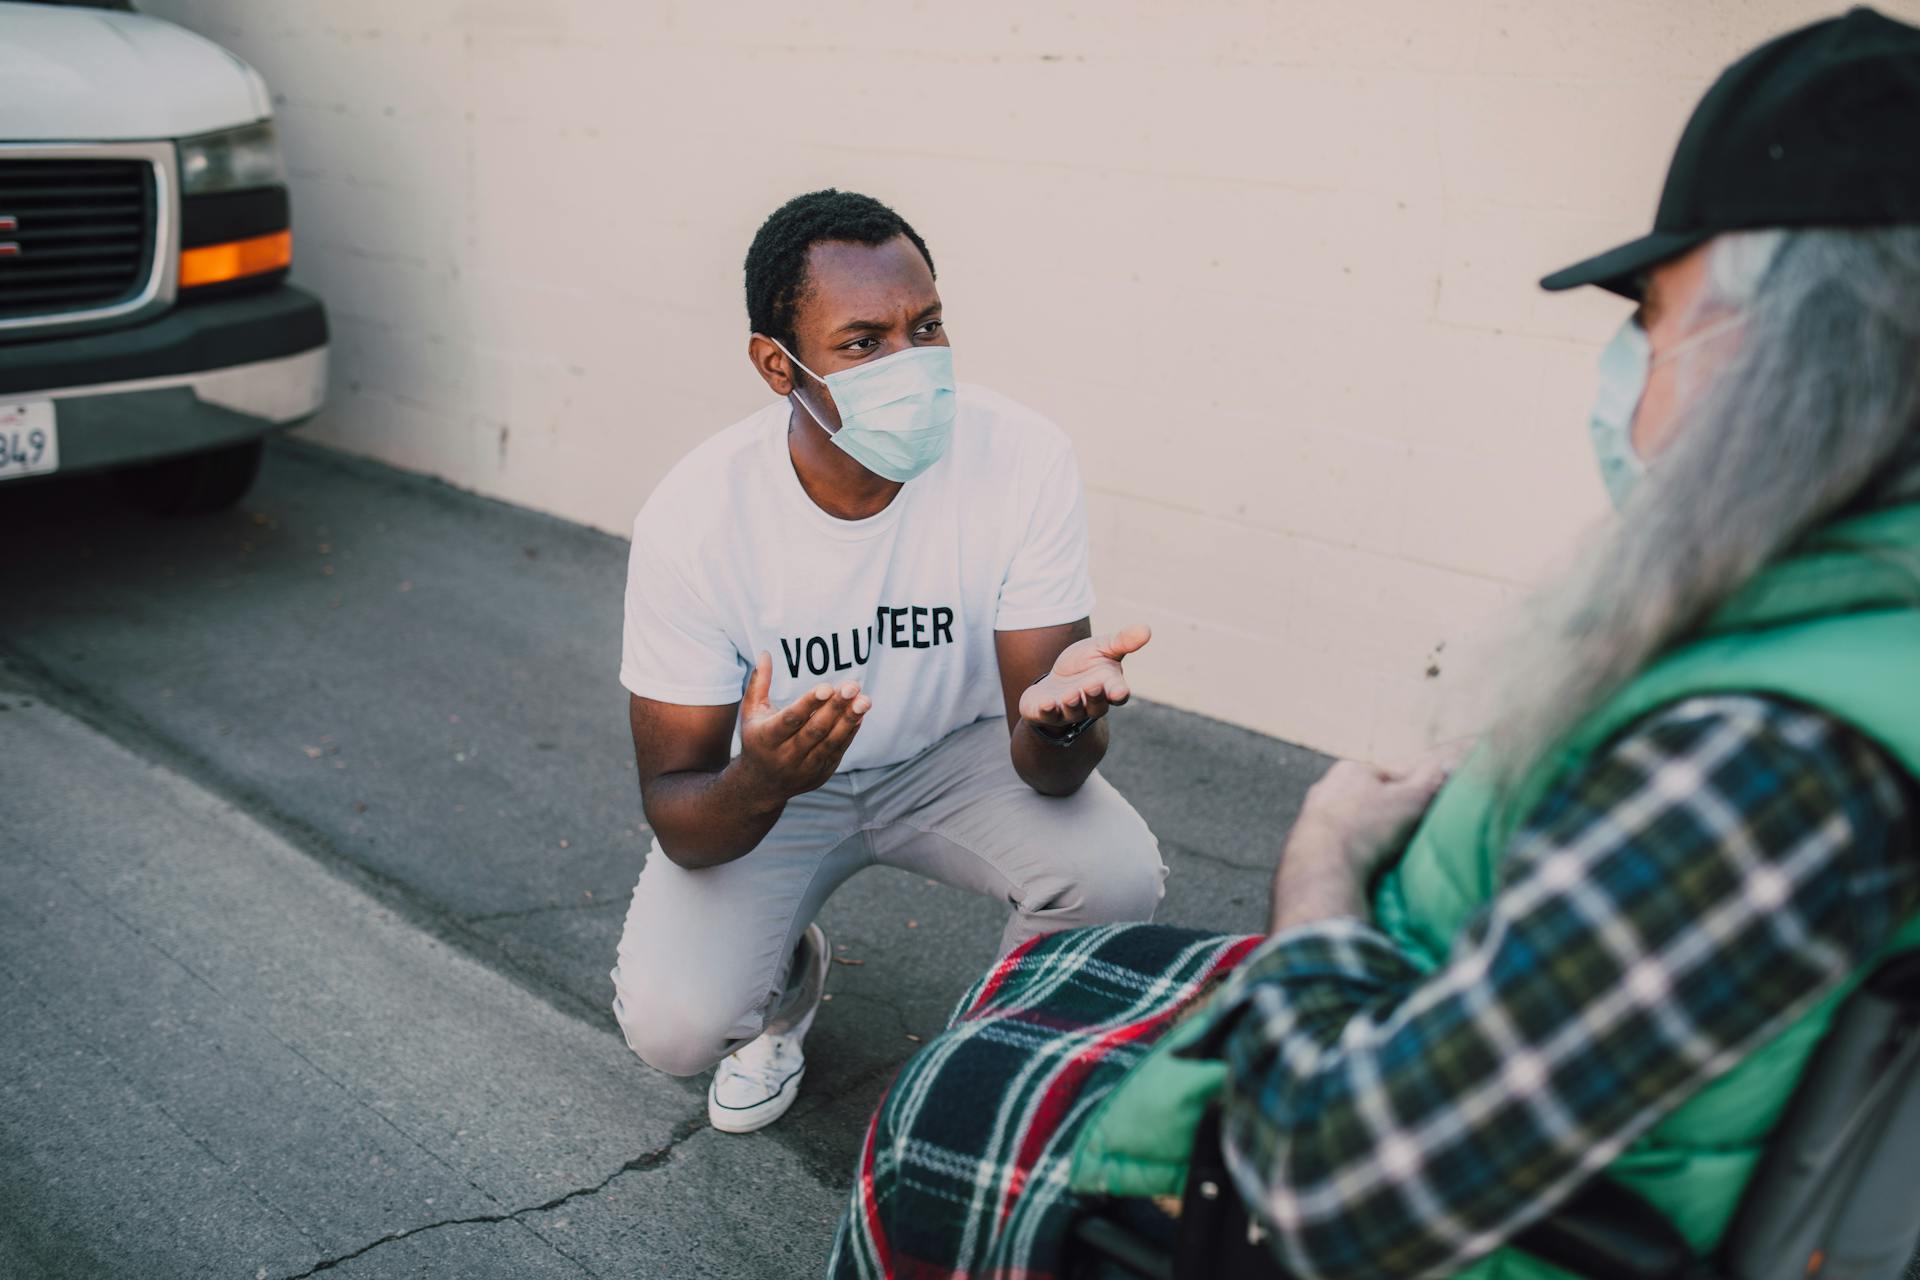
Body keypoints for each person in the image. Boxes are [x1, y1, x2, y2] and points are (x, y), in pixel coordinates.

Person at [828, 9, 1920, 1277]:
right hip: (1448, 1035)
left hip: (1351, 1177)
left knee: (929, 1113)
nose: (1629, 368)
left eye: (1659, 318)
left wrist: (1325, 861)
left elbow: (1328, 1184)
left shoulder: (1764, 764)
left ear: (1797, 354)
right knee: (1054, 967)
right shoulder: (1847, 633)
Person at [610, 189, 1167, 1135]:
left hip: (959, 754)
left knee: (1115, 877)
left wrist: (1064, 719)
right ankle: (780, 987)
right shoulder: (696, 516)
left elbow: (1051, 769)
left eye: (928, 326)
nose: (911, 363)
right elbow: (681, 817)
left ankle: (993, 1064)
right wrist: (763, 777)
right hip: (784, 785)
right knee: (674, 1027)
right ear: (776, 366)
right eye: (863, 342)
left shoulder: (1023, 456)